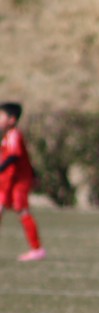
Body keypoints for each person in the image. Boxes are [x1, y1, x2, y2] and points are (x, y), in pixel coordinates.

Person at [0, 102, 45, 261]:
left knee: (22, 210)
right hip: (7, 181)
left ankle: (37, 249)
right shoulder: (7, 136)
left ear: (12, 119)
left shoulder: (14, 135)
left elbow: (14, 156)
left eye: (1, 116)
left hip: (18, 181)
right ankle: (37, 249)